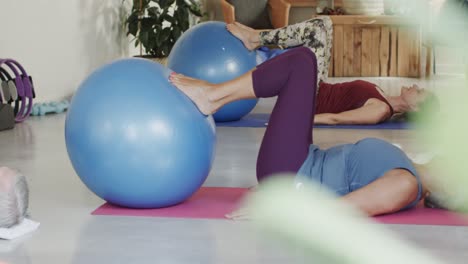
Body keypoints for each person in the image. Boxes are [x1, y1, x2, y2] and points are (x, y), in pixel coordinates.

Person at [169, 47, 434, 219]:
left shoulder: (406, 184)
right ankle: (215, 94)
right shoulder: (407, 167)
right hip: (301, 160)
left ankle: (214, 95)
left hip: (294, 172)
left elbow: (336, 211)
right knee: (301, 61)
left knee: (302, 61)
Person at [226, 19, 439, 125]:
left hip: (308, 98)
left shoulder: (380, 111)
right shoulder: (381, 93)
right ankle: (259, 38)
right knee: (325, 24)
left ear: (415, 108)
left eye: (419, 92)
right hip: (317, 86)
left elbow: (335, 119)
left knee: (317, 29)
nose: (416, 86)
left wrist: (290, 120)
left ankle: (257, 38)